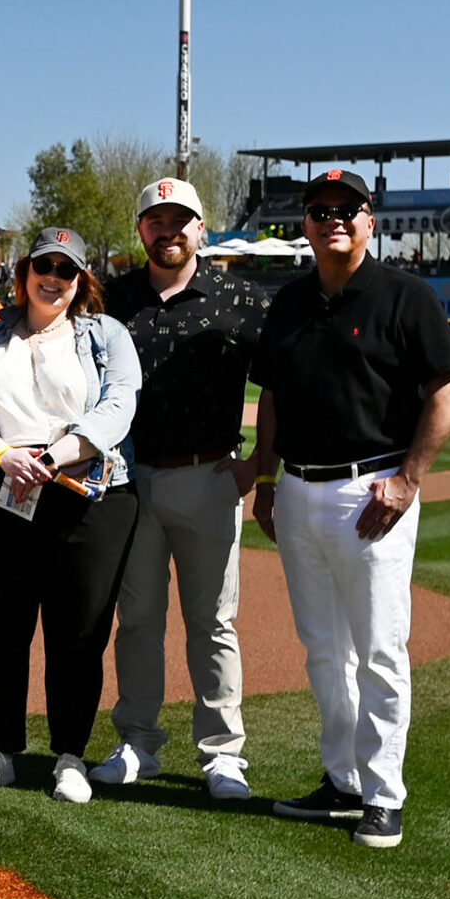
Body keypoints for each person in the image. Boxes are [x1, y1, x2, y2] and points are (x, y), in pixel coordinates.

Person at [252, 170, 450, 850]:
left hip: (370, 491)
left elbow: (447, 390)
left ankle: (384, 796)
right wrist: (264, 478)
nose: (332, 219)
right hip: (300, 489)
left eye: (347, 209)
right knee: (324, 650)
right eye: (320, 210)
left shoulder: (405, 295)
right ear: (305, 223)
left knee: (377, 649)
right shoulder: (288, 301)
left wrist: (409, 479)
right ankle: (342, 781)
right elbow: (273, 397)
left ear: (371, 220)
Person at [0, 228, 140, 804]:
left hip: (83, 491)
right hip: (3, 484)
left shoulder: (105, 335)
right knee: (2, 627)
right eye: (43, 265)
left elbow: (119, 405)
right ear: (24, 273)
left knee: (77, 630)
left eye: (65, 268)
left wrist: (55, 455)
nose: (52, 276)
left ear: (80, 280)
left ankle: (70, 756)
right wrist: (4, 454)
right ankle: (0, 748)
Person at [93, 177, 266, 799]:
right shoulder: (110, 299)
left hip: (210, 474)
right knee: (136, 620)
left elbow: (277, 385)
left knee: (213, 622)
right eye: (155, 221)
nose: (168, 231)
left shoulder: (240, 298)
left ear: (202, 227)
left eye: (180, 220)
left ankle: (222, 754)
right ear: (141, 230)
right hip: (130, 479)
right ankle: (137, 743)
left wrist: (259, 466)